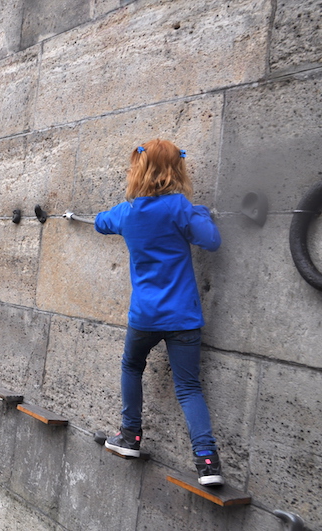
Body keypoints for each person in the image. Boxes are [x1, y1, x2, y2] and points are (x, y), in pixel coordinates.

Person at [92, 139, 224, 487]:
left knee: (132, 366)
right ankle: (207, 461)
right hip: (183, 316)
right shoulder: (181, 208)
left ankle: (130, 436)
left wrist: (109, 216)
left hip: (145, 317)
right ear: (176, 169)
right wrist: (201, 212)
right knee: (189, 387)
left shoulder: (127, 212)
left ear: (138, 169)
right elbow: (210, 241)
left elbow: (99, 222)